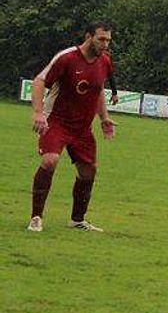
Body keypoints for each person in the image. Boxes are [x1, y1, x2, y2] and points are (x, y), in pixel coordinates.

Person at [28, 22, 117, 232]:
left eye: (108, 40)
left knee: (88, 172)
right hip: (57, 121)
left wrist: (104, 118)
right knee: (50, 160)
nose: (105, 44)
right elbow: (39, 82)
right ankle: (36, 217)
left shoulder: (104, 61)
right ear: (88, 36)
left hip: (82, 128)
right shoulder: (67, 57)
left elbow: (98, 90)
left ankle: (77, 220)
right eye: (101, 39)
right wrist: (39, 112)